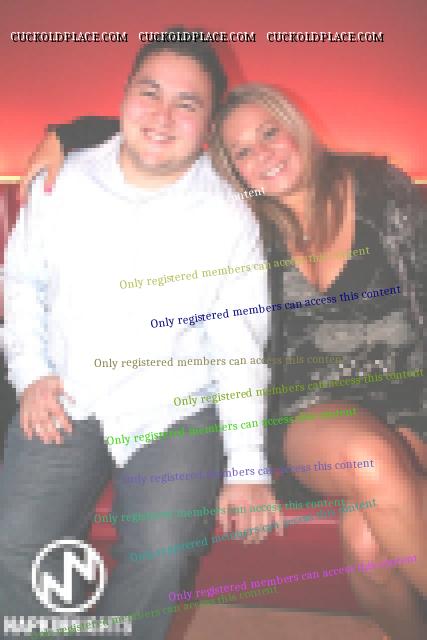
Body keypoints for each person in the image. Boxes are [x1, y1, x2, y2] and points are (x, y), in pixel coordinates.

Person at [33, 82, 427, 639]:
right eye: (242, 151)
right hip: (309, 414)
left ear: (297, 128)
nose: (262, 155)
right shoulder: (239, 222)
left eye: (270, 133)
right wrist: (69, 134)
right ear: (230, 168)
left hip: (408, 399)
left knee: (369, 548)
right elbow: (163, 134)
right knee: (368, 458)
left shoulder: (380, 190)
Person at [1, 32, 280, 639]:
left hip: (174, 408)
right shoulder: (62, 182)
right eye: (149, 93)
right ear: (124, 96)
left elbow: (238, 349)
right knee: (14, 542)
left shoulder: (228, 216)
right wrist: (32, 375)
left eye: (187, 103)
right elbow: (22, 281)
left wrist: (247, 467)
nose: (162, 116)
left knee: (162, 552)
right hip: (69, 392)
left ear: (208, 124)